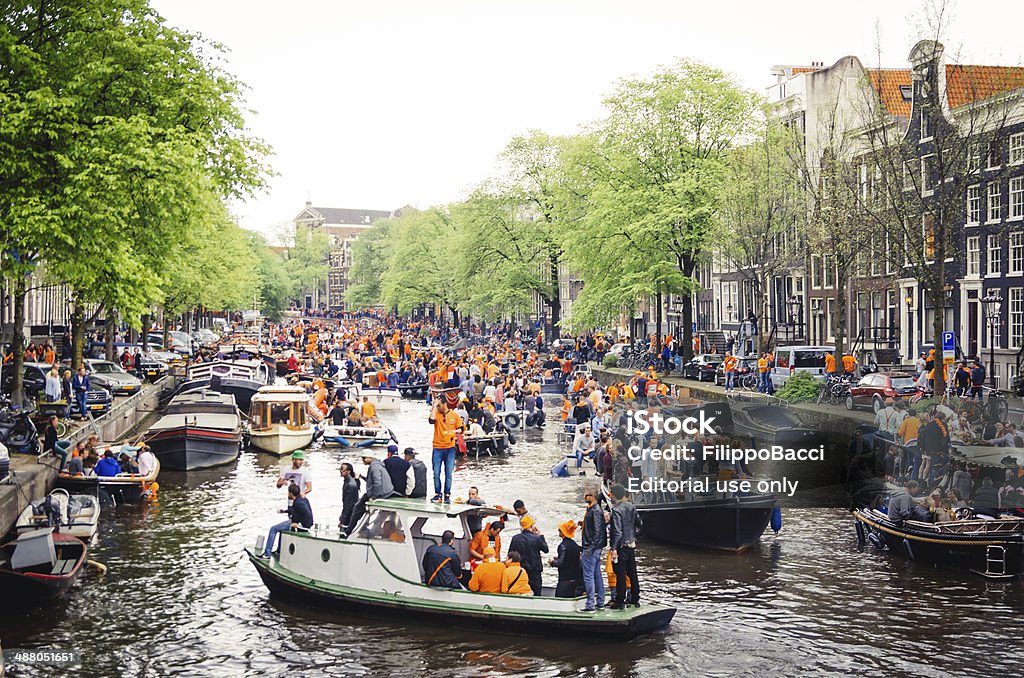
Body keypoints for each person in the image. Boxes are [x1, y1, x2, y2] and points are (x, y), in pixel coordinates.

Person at [345, 452, 397, 536]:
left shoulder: (374, 468)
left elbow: (377, 483)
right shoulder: (377, 465)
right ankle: (359, 527)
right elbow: (372, 481)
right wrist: (361, 477)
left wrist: (374, 497)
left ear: (370, 457)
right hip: (386, 491)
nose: (363, 460)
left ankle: (350, 530)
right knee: (360, 507)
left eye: (364, 458)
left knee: (357, 507)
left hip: (381, 494)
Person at [260, 483, 313, 558]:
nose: (287, 494)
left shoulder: (299, 503)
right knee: (281, 529)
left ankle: (267, 554)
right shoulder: (301, 499)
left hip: (301, 525)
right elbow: (296, 511)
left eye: (288, 492)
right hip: (296, 521)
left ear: (291, 493)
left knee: (273, 529)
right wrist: (284, 511)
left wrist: (299, 525)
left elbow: (307, 514)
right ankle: (279, 551)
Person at [608, 484, 640, 608]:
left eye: (610, 494)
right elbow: (640, 524)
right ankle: (635, 598)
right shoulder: (632, 507)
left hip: (620, 547)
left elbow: (617, 531)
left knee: (620, 573)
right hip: (631, 544)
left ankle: (620, 600)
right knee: (632, 573)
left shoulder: (616, 510)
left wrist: (614, 548)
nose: (610, 496)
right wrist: (633, 536)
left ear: (614, 495)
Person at [429, 398, 462, 503]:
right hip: (437, 447)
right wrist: (434, 406)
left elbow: (461, 428)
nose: (438, 408)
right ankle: (437, 494)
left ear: (445, 404)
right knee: (436, 472)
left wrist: (455, 431)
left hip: (450, 448)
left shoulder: (454, 415)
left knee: (448, 473)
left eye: (439, 405)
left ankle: (447, 494)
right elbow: (431, 420)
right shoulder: (436, 413)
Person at [580, 487, 607, 611]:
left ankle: (590, 604)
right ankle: (600, 600)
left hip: (591, 548)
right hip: (595, 547)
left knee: (589, 576)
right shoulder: (592, 510)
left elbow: (597, 532)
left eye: (587, 495)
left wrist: (589, 549)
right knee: (596, 574)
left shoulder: (595, 511)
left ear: (594, 496)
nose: (585, 497)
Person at [507, 515, 548, 596]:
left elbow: (510, 554)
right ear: (531, 526)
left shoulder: (515, 538)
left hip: (521, 572)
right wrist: (541, 536)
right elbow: (546, 550)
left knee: (522, 592)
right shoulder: (537, 539)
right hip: (535, 571)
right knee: (536, 593)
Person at [550, 520, 582, 598]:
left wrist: (552, 562)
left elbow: (561, 563)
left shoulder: (562, 546)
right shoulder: (575, 545)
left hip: (564, 580)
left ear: (562, 532)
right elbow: (572, 558)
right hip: (575, 579)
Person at [339, 462, 360, 531]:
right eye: (340, 469)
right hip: (351, 512)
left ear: (348, 471)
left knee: (344, 532)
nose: (341, 471)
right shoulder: (349, 482)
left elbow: (348, 504)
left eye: (343, 469)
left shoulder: (350, 484)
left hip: (350, 514)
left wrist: (343, 520)